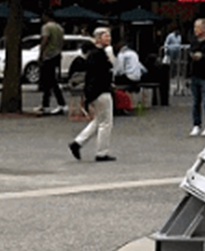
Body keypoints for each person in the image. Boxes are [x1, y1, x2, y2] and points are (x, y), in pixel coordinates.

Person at [68, 28, 118, 162]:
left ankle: (77, 143)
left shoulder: (93, 54)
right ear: (98, 39)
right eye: (105, 36)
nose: (108, 38)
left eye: (109, 36)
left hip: (94, 92)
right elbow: (104, 73)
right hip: (101, 91)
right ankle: (101, 152)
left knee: (98, 120)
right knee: (106, 122)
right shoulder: (100, 54)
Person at [37, 11, 68, 115]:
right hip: (57, 55)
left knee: (47, 81)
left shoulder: (46, 27)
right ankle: (59, 103)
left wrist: (41, 53)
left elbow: (45, 39)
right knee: (52, 80)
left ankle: (46, 105)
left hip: (48, 56)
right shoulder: (60, 28)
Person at [111, 34, 145, 115]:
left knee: (113, 83)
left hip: (129, 78)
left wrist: (113, 73)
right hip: (137, 78)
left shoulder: (122, 55)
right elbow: (142, 68)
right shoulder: (134, 54)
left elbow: (119, 69)